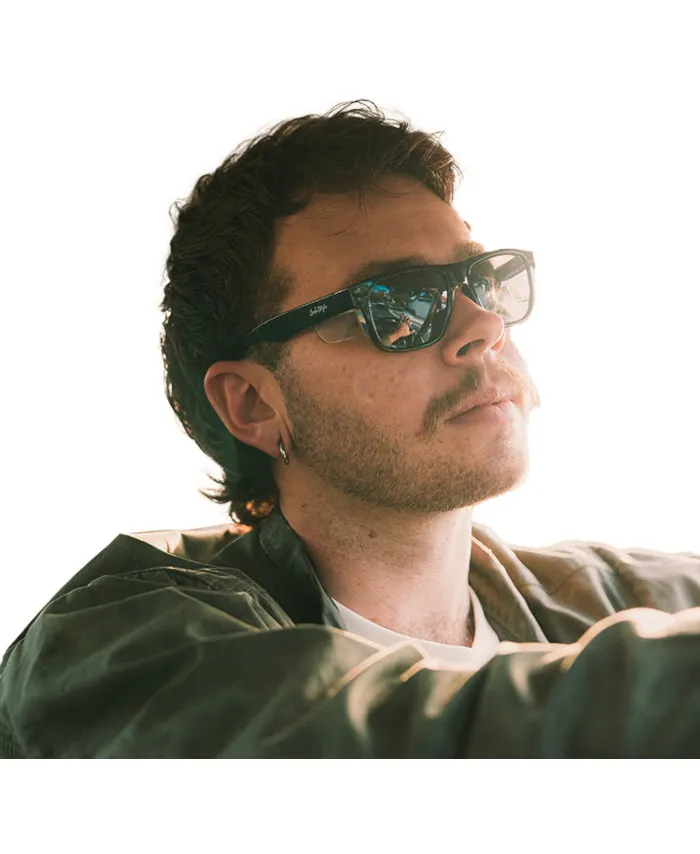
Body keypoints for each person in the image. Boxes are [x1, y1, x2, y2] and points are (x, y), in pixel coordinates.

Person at [2, 101, 699, 759]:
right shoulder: (117, 644)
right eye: (398, 305)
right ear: (253, 403)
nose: (484, 326)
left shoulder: (610, 597)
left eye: (479, 281)